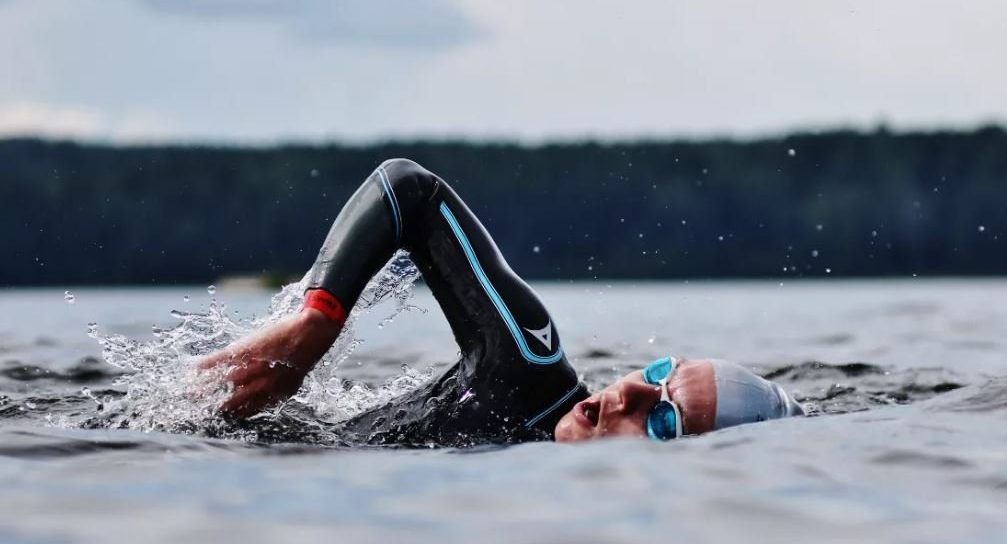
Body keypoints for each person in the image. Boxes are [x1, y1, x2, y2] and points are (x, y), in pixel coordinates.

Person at [199, 159, 803, 446]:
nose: (627, 394)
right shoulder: (525, 371)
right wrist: (316, 323)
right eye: (656, 375)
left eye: (665, 419)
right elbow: (409, 190)